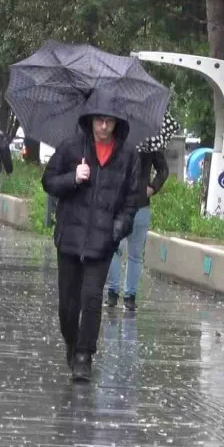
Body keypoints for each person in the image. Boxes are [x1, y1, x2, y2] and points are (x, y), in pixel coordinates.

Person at [42, 89, 141, 382]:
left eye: (109, 121)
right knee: (67, 304)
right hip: (69, 237)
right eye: (99, 120)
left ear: (117, 122)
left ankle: (85, 355)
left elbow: (132, 199)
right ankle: (72, 343)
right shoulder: (72, 147)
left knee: (91, 298)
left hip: (102, 241)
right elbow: (48, 181)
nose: (103, 127)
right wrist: (73, 177)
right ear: (90, 120)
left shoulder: (128, 156)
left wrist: (118, 227)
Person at [104, 111, 176, 311]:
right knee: (134, 255)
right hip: (139, 204)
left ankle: (113, 294)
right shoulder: (150, 140)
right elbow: (163, 170)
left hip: (121, 204)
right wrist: (151, 188)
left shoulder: (117, 140)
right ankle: (129, 297)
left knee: (116, 249)